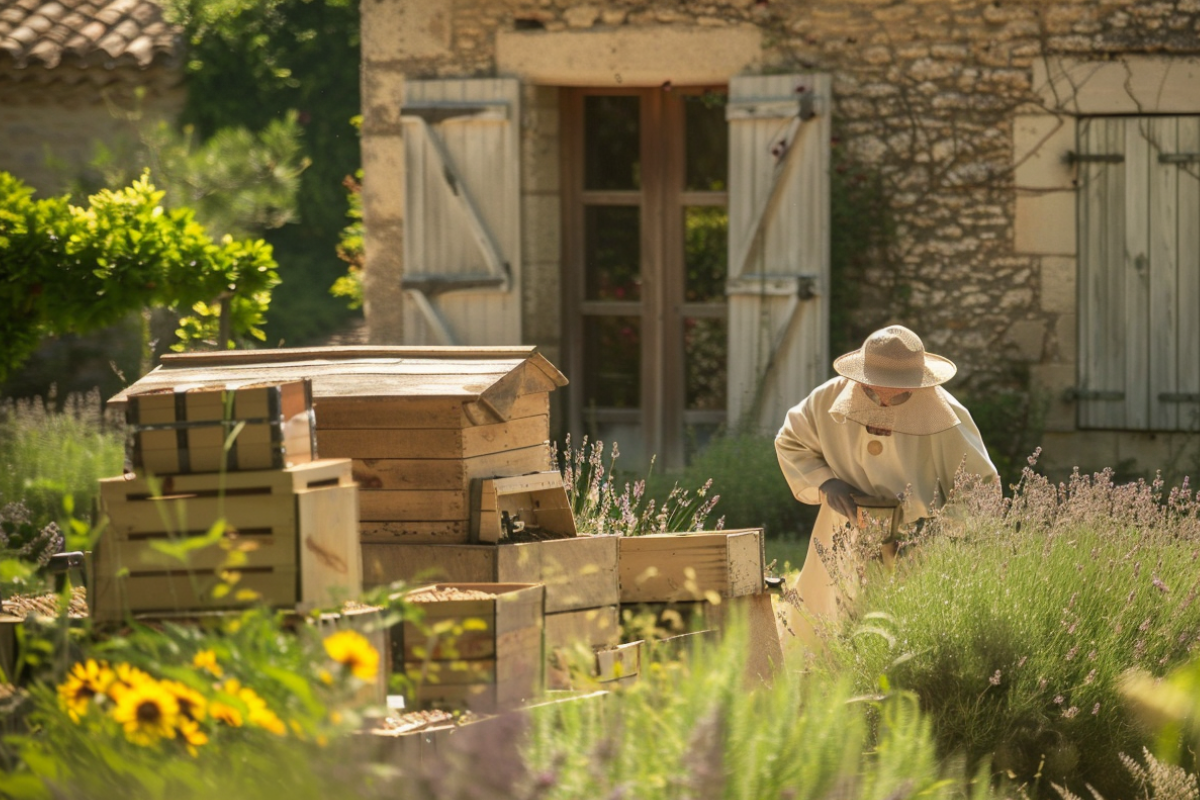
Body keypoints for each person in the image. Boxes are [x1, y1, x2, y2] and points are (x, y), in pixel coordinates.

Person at [774, 325, 999, 649]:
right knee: (823, 631)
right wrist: (827, 482)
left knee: (907, 641)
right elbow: (790, 441)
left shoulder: (945, 413)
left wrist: (937, 535)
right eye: (874, 388)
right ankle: (818, 695)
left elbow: (981, 487)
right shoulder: (828, 397)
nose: (885, 398)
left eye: (900, 390)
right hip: (841, 530)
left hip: (916, 541)